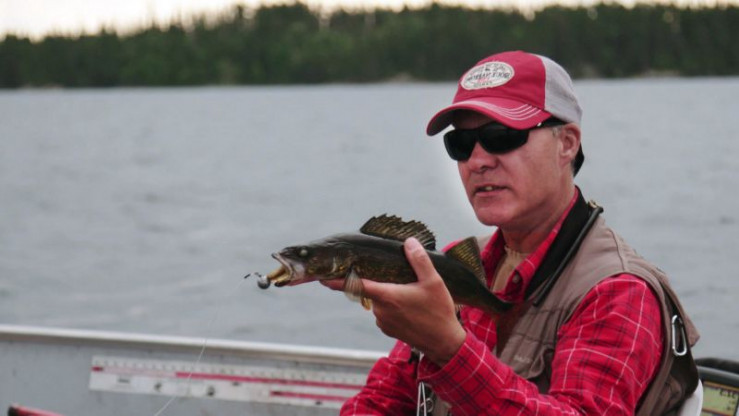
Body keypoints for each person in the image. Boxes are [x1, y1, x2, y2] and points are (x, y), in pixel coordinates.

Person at [323, 50, 700, 415]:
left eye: (502, 135)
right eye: (461, 144)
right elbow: (382, 400)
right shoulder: (451, 267)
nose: (478, 161)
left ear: (567, 144)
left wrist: (448, 347)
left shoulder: (619, 291)